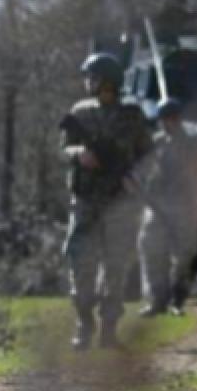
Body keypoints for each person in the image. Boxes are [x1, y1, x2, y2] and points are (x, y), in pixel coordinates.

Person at [60, 53, 152, 349]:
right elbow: (64, 148)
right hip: (86, 201)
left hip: (120, 202)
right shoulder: (80, 112)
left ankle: (109, 331)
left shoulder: (132, 116)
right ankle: (84, 324)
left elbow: (148, 154)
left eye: (92, 77)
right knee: (81, 265)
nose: (88, 82)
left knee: (116, 267)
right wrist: (79, 154)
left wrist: (135, 176)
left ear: (105, 80)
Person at [137, 98, 197, 317]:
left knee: (183, 255)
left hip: (183, 204)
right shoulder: (156, 142)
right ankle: (157, 300)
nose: (168, 123)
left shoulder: (191, 143)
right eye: (164, 119)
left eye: (172, 118)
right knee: (152, 250)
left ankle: (178, 300)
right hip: (156, 204)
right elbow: (145, 168)